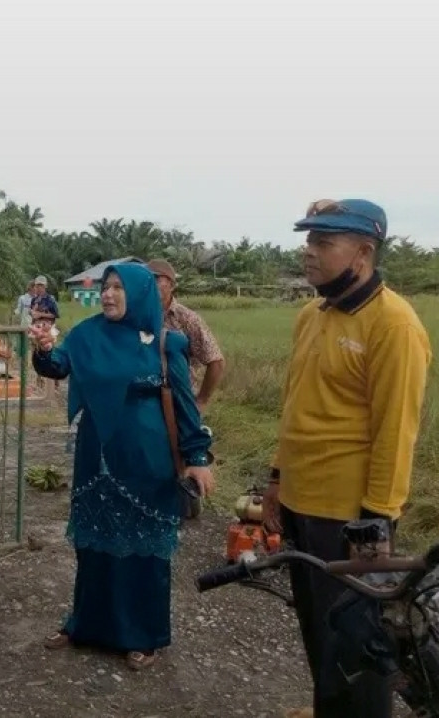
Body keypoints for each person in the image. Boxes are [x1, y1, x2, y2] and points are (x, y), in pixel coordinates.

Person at [261, 198, 432, 718]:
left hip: (351, 516)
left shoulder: (393, 325)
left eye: (322, 242)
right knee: (318, 626)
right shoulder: (311, 315)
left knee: (358, 641)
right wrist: (276, 478)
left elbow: (395, 432)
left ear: (362, 251)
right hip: (301, 500)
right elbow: (296, 406)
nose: (308, 252)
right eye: (308, 240)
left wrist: (376, 523)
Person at [31, 263, 215, 669]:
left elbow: (184, 404)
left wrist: (198, 458)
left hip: (146, 461)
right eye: (104, 287)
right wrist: (43, 348)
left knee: (145, 551)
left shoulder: (166, 343)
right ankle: (84, 624)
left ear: (140, 292)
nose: (108, 295)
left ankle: (143, 636)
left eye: (117, 287)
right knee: (93, 545)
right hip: (96, 457)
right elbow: (57, 366)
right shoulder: (87, 334)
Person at [147, 258, 225, 411]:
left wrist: (201, 401)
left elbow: (216, 361)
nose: (150, 283)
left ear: (171, 285)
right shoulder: (137, 317)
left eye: (156, 278)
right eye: (147, 279)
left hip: (180, 401)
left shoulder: (187, 319)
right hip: (147, 401)